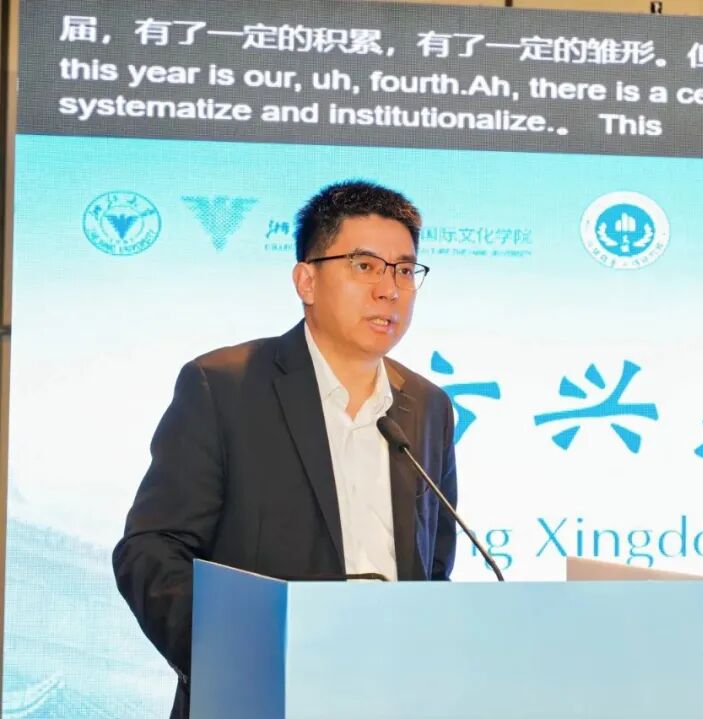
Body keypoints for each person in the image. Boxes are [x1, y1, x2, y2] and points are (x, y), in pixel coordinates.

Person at [113, 180, 457, 719]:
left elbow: (433, 569)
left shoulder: (427, 405)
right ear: (307, 280)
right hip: (259, 697)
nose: (389, 289)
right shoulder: (224, 386)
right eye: (365, 266)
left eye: (405, 270)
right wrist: (232, 659)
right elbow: (151, 550)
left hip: (390, 698)